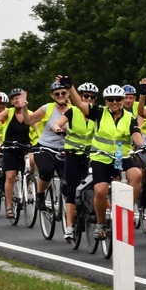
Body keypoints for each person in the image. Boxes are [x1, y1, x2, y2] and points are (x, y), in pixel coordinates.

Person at [62, 77, 145, 241]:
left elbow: (135, 132)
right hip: (101, 156)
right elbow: (79, 104)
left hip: (122, 155)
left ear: (122, 100)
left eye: (118, 99)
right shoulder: (99, 112)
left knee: (137, 175)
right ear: (106, 101)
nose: (114, 102)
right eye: (110, 99)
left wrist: (142, 145)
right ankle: (100, 224)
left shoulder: (129, 117)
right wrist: (70, 87)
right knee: (100, 190)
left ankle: (128, 209)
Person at [52, 82, 97, 241]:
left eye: (92, 97)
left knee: (98, 186)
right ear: (80, 97)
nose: (88, 99)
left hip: (92, 155)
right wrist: (58, 129)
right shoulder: (72, 112)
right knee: (72, 189)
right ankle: (70, 226)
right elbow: (57, 124)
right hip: (73, 154)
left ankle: (100, 221)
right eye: (85, 96)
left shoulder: (98, 113)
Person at [23, 81, 70, 211]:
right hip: (45, 146)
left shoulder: (74, 109)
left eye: (63, 93)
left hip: (65, 148)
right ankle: (40, 195)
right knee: (46, 170)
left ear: (68, 94)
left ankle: (71, 211)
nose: (60, 95)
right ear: (52, 95)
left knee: (68, 179)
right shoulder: (47, 108)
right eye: (57, 94)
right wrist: (24, 108)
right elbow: (29, 120)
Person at [0, 88, 36, 218]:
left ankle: (29, 182)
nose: (17, 100)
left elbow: (37, 130)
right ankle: (9, 207)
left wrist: (39, 143)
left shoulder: (30, 113)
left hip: (25, 146)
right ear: (12, 102)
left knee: (32, 159)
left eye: (19, 97)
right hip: (10, 147)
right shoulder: (9, 112)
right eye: (14, 99)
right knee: (10, 176)